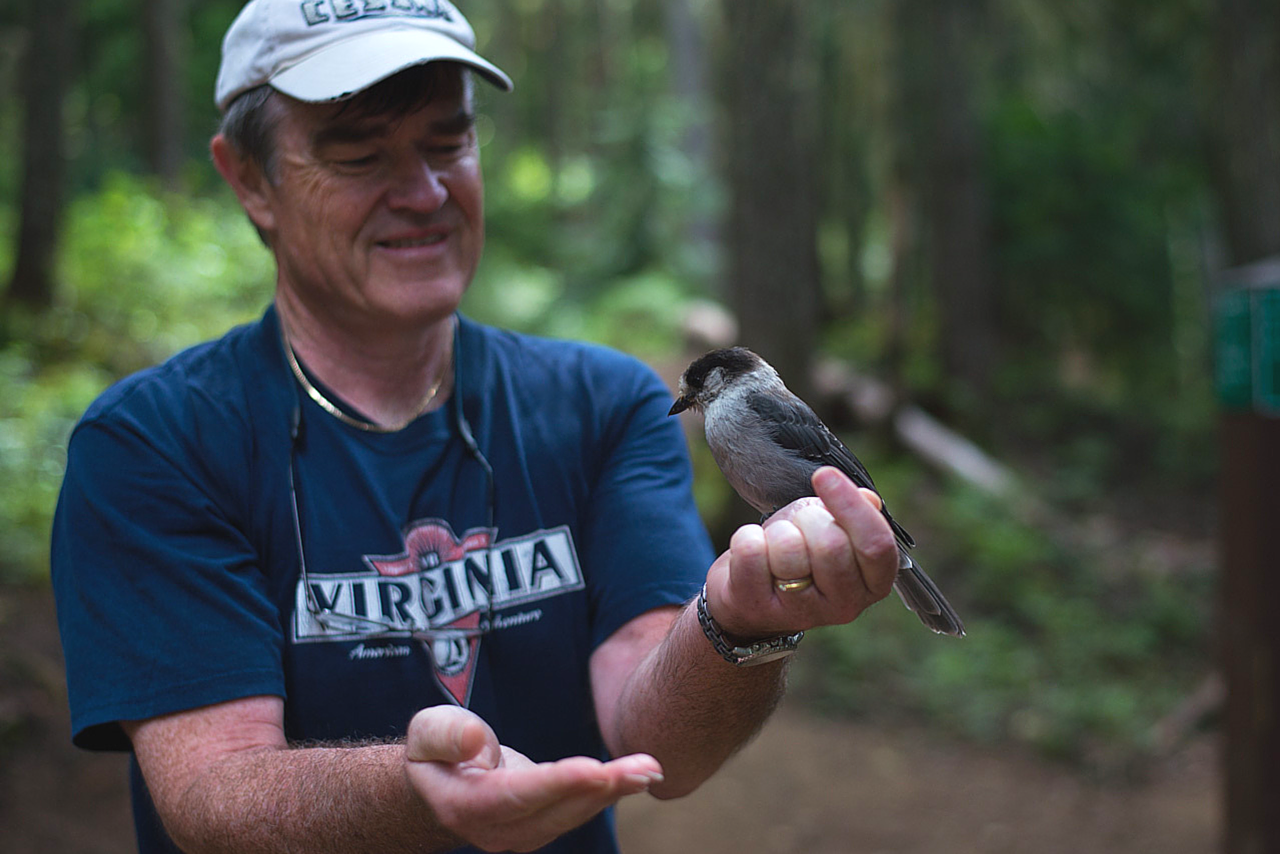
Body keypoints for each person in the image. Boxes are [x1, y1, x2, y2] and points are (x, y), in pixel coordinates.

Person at [50, 2, 900, 852]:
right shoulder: (153, 445)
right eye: (358, 153)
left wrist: (734, 622)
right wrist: (416, 788)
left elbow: (658, 749)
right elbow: (213, 796)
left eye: (448, 142)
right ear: (248, 179)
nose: (422, 192)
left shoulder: (604, 406)